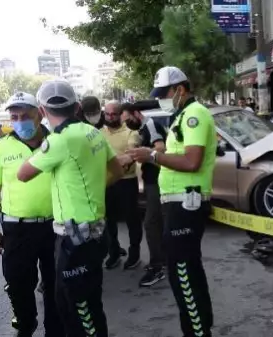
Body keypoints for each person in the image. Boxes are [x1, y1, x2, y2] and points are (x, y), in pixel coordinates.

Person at [17, 79, 124, 337]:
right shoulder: (93, 132)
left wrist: (43, 146)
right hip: (94, 232)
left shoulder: (59, 141)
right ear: (76, 106)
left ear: (42, 111)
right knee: (81, 302)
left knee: (79, 308)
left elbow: (23, 174)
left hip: (76, 238)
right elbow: (117, 171)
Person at [127, 66, 215, 337]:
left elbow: (192, 161)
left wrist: (152, 157)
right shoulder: (181, 116)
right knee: (187, 270)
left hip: (185, 205)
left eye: (165, 93)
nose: (162, 99)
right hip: (177, 204)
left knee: (183, 274)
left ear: (180, 89)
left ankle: (197, 332)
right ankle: (200, 327)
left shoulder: (194, 115)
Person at [0, 92, 64, 337]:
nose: (19, 121)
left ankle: (55, 331)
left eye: (25, 116)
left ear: (39, 113)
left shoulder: (58, 142)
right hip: (17, 229)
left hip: (55, 227)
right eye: (14, 117)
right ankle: (26, 326)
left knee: (56, 285)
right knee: (18, 285)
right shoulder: (0, 147)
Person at [121, 102, 168, 287]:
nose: (127, 123)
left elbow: (161, 149)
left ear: (136, 113)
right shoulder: (142, 128)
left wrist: (145, 155)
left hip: (157, 182)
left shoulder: (150, 125)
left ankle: (158, 266)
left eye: (128, 119)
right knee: (158, 223)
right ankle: (163, 260)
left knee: (151, 224)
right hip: (151, 182)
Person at [102, 100, 143, 269]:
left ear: (120, 115)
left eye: (114, 114)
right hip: (106, 183)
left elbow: (130, 156)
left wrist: (110, 161)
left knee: (132, 220)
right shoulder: (98, 134)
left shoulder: (131, 133)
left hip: (126, 182)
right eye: (107, 114)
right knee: (108, 221)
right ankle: (114, 252)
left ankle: (134, 253)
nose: (110, 117)